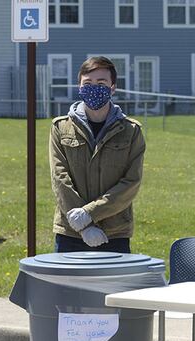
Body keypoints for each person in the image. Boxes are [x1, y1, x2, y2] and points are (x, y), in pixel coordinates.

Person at [49, 56, 146, 253]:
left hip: (114, 232)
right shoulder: (60, 128)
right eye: (88, 83)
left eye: (101, 83)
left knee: (114, 285)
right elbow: (60, 178)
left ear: (113, 87)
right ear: (79, 86)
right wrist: (82, 224)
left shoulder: (131, 130)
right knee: (68, 285)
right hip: (71, 232)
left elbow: (131, 183)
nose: (94, 88)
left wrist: (89, 213)